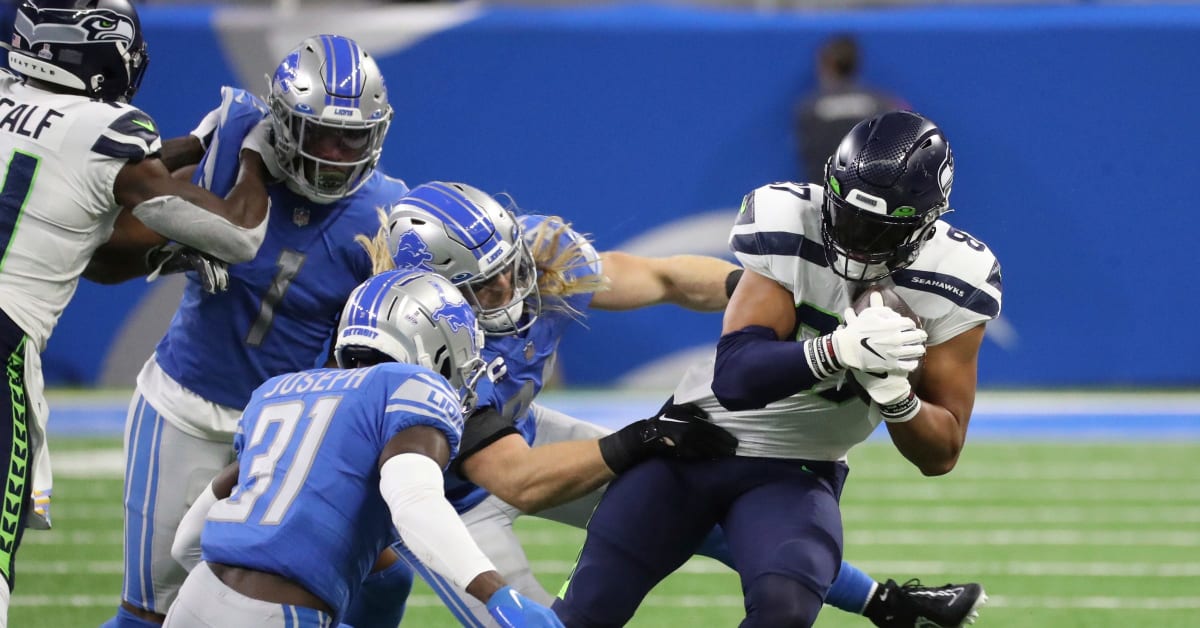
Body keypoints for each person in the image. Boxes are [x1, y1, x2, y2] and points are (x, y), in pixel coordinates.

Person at [349, 180, 985, 628]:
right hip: (454, 492)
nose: (510, 287)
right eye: (484, 285)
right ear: (435, 292)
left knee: (693, 515)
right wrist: (640, 439)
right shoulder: (413, 334)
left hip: (526, 430)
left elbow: (663, 277)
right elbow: (513, 481)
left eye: (508, 268)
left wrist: (767, 293)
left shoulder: (536, 259)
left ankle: (885, 604)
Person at [554, 111, 1000, 628]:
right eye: (847, 216)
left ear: (926, 222)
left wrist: (895, 394)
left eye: (877, 229)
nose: (855, 240)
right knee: (583, 615)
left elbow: (940, 452)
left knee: (784, 611)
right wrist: (838, 351)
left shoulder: (956, 277)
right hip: (691, 444)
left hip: (799, 469)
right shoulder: (788, 218)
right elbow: (737, 377)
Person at [94, 34, 411, 627]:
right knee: (149, 614)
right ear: (284, 124)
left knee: (383, 578)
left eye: (355, 138)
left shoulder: (387, 213)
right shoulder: (226, 154)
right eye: (322, 134)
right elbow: (107, 251)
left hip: (291, 431)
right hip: (186, 409)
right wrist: (183, 197)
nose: (339, 155)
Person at [0, 1, 271, 625]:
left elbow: (86, 233)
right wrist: (249, 151)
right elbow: (239, 233)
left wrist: (196, 143)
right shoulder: (110, 132)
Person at [164, 269, 562, 628]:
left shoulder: (278, 392)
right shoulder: (409, 389)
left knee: (389, 580)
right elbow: (415, 502)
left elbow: (186, 543)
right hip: (283, 611)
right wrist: (497, 594)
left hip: (194, 599)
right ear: (434, 343)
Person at [794, 34, 908, 183]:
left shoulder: (809, 107)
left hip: (825, 191)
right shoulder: (883, 103)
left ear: (829, 64)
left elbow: (806, 148)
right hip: (872, 191)